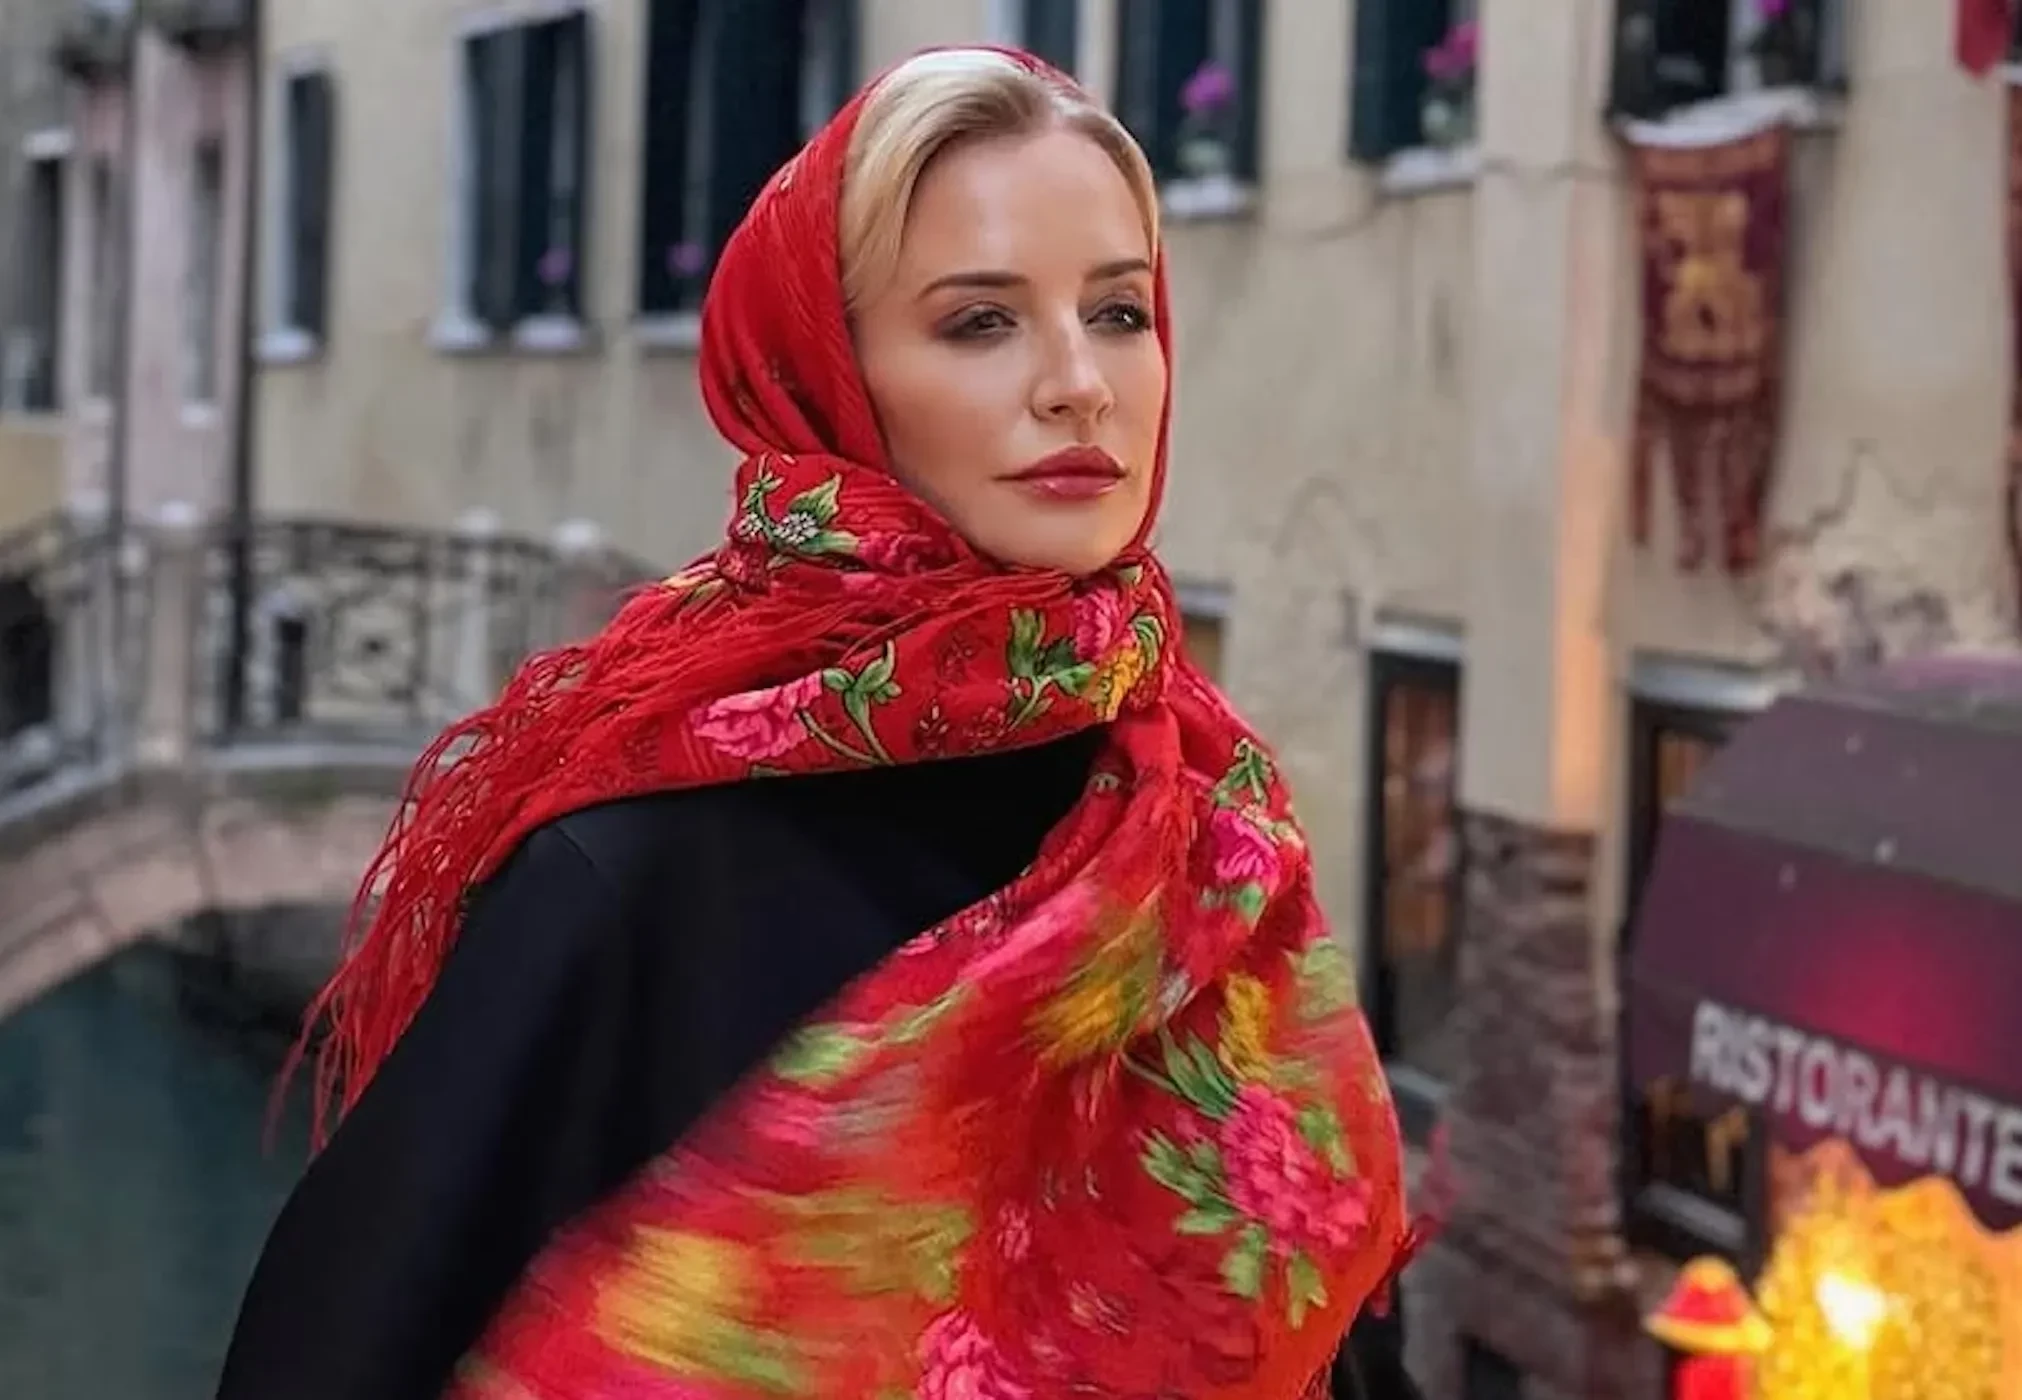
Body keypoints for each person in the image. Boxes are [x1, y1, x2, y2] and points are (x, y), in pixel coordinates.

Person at [217, 47, 1424, 1400]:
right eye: (981, 322)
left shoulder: (1212, 833)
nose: (1079, 382)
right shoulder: (642, 881)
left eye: (1119, 311)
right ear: (824, 376)